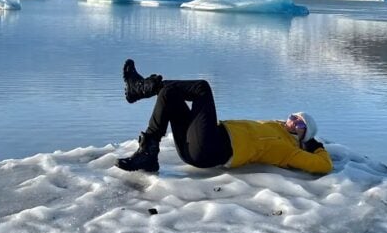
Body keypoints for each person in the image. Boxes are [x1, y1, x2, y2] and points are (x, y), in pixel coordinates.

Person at [116, 59, 334, 176]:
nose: (294, 120)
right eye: (294, 116)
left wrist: (314, 144)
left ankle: (142, 89)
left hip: (212, 149)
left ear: (304, 135)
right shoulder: (274, 126)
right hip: (196, 144)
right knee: (169, 94)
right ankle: (148, 153)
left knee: (202, 88)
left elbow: (322, 166)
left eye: (301, 123)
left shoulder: (290, 151)